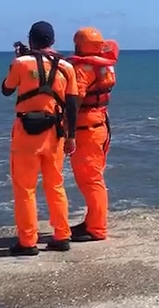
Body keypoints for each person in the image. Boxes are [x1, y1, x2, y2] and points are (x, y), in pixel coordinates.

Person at [1, 20, 79, 255]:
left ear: (30, 39)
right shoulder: (67, 66)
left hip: (26, 132)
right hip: (55, 133)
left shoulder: (21, 63)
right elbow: (73, 103)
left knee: (25, 189)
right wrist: (71, 136)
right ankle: (62, 235)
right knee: (55, 185)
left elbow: (6, 89)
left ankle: (27, 241)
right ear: (52, 41)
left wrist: (20, 58)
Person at [67, 26, 119, 242]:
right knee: (94, 176)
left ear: (79, 45)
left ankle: (97, 228)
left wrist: (67, 132)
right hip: (101, 125)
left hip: (86, 129)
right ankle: (91, 221)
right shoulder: (105, 66)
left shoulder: (84, 69)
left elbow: (75, 100)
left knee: (90, 179)